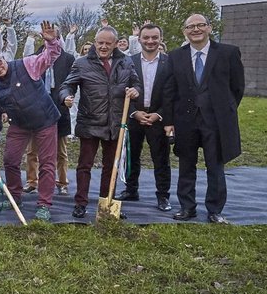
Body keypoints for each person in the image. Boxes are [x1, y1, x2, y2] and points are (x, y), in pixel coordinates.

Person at [164, 14, 245, 224]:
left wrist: (223, 110)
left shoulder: (228, 53)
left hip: (216, 122)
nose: (196, 29)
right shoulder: (176, 57)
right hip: (186, 121)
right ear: (184, 31)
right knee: (186, 166)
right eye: (191, 26)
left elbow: (237, 87)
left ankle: (214, 210)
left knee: (215, 166)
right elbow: (170, 91)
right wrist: (170, 121)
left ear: (209, 28)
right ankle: (187, 208)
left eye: (200, 25)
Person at [0, 20, 63, 222]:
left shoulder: (26, 64)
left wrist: (51, 41)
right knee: (10, 160)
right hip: (19, 124)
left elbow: (50, 57)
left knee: (46, 163)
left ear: (4, 58)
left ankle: (44, 204)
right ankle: (15, 197)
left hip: (45, 119)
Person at [59, 27, 139, 219]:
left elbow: (136, 84)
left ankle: (106, 201)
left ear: (115, 43)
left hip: (115, 123)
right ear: (95, 42)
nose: (103, 46)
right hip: (89, 122)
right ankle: (80, 203)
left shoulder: (125, 62)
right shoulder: (82, 63)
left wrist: (135, 91)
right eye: (100, 42)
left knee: (111, 166)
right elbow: (67, 85)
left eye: (107, 43)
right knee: (84, 165)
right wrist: (66, 97)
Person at [115, 23, 174, 212]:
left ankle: (163, 196)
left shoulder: (170, 63)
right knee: (132, 156)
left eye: (154, 37)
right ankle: (131, 190)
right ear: (139, 39)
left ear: (160, 39)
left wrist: (159, 114)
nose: (150, 41)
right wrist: (134, 111)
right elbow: (120, 90)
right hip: (134, 116)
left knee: (161, 158)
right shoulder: (127, 62)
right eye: (146, 37)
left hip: (159, 117)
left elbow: (174, 93)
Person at [23, 25, 76, 196]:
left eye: (55, 35)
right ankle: (32, 181)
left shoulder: (68, 58)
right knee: (32, 150)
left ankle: (61, 182)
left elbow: (72, 82)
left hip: (59, 108)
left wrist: (69, 96)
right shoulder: (33, 57)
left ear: (58, 38)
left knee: (60, 150)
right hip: (37, 110)